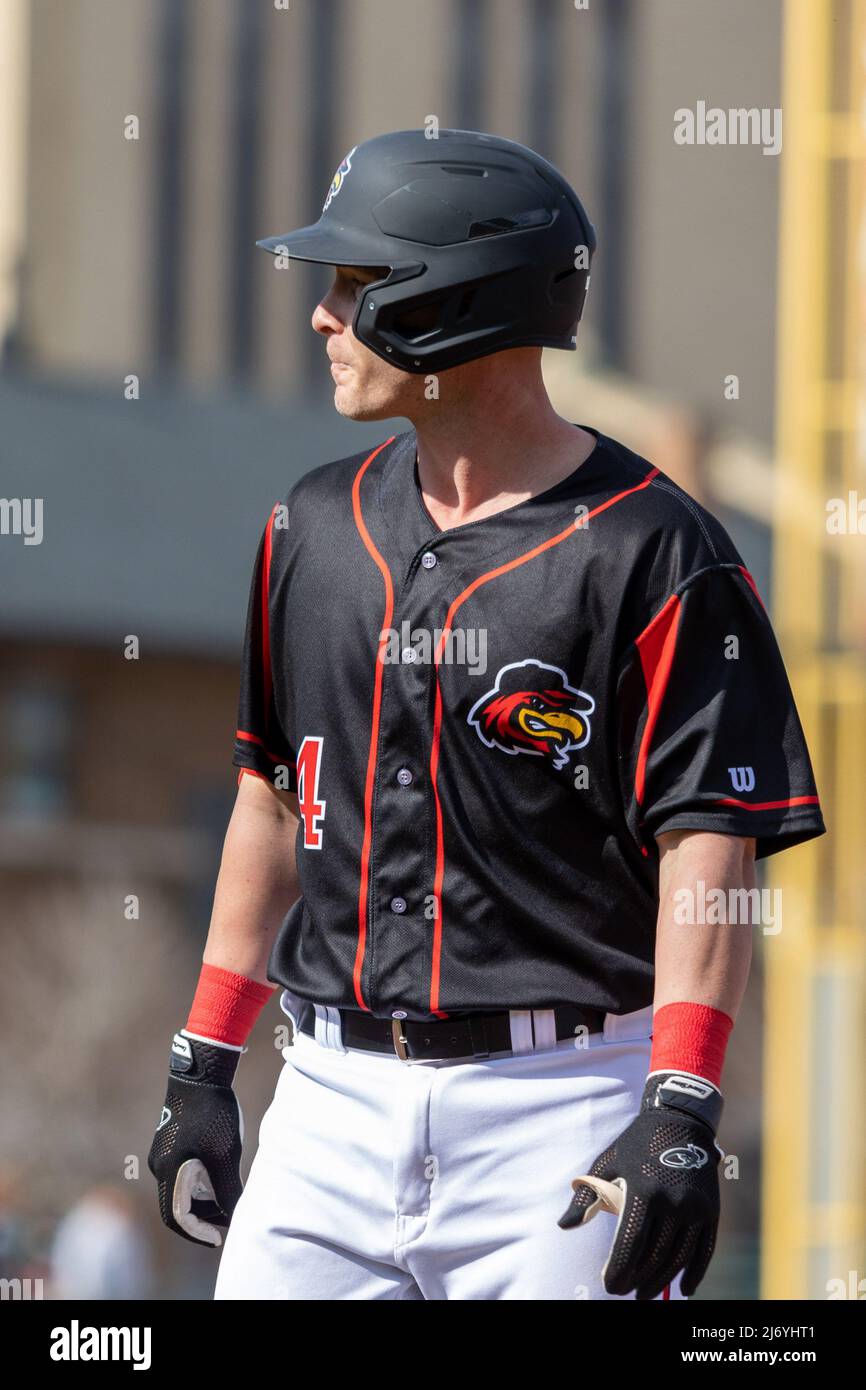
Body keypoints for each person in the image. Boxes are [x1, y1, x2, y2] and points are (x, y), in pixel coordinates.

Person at [148, 128, 825, 1301]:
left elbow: (705, 845)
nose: (322, 318)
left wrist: (681, 1100)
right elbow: (268, 788)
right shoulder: (307, 527)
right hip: (326, 1100)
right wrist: (203, 1059)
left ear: (446, 306)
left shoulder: (655, 553)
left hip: (560, 1110)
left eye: (354, 286)